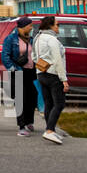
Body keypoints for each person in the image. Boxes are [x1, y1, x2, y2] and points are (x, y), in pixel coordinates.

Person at [33, 15, 69, 144]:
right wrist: (63, 79)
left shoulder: (37, 38)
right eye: (57, 24)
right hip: (54, 75)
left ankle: (50, 130)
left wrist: (42, 66)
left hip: (41, 74)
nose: (58, 27)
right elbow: (58, 60)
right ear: (51, 26)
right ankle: (49, 131)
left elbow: (33, 56)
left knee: (49, 103)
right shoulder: (52, 39)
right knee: (59, 104)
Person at [1, 16, 38, 135]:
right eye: (30, 26)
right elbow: (5, 56)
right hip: (18, 71)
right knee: (20, 99)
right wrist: (13, 69)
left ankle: (29, 121)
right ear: (23, 27)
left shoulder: (31, 39)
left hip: (30, 72)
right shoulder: (11, 39)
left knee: (32, 97)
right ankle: (21, 127)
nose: (32, 28)